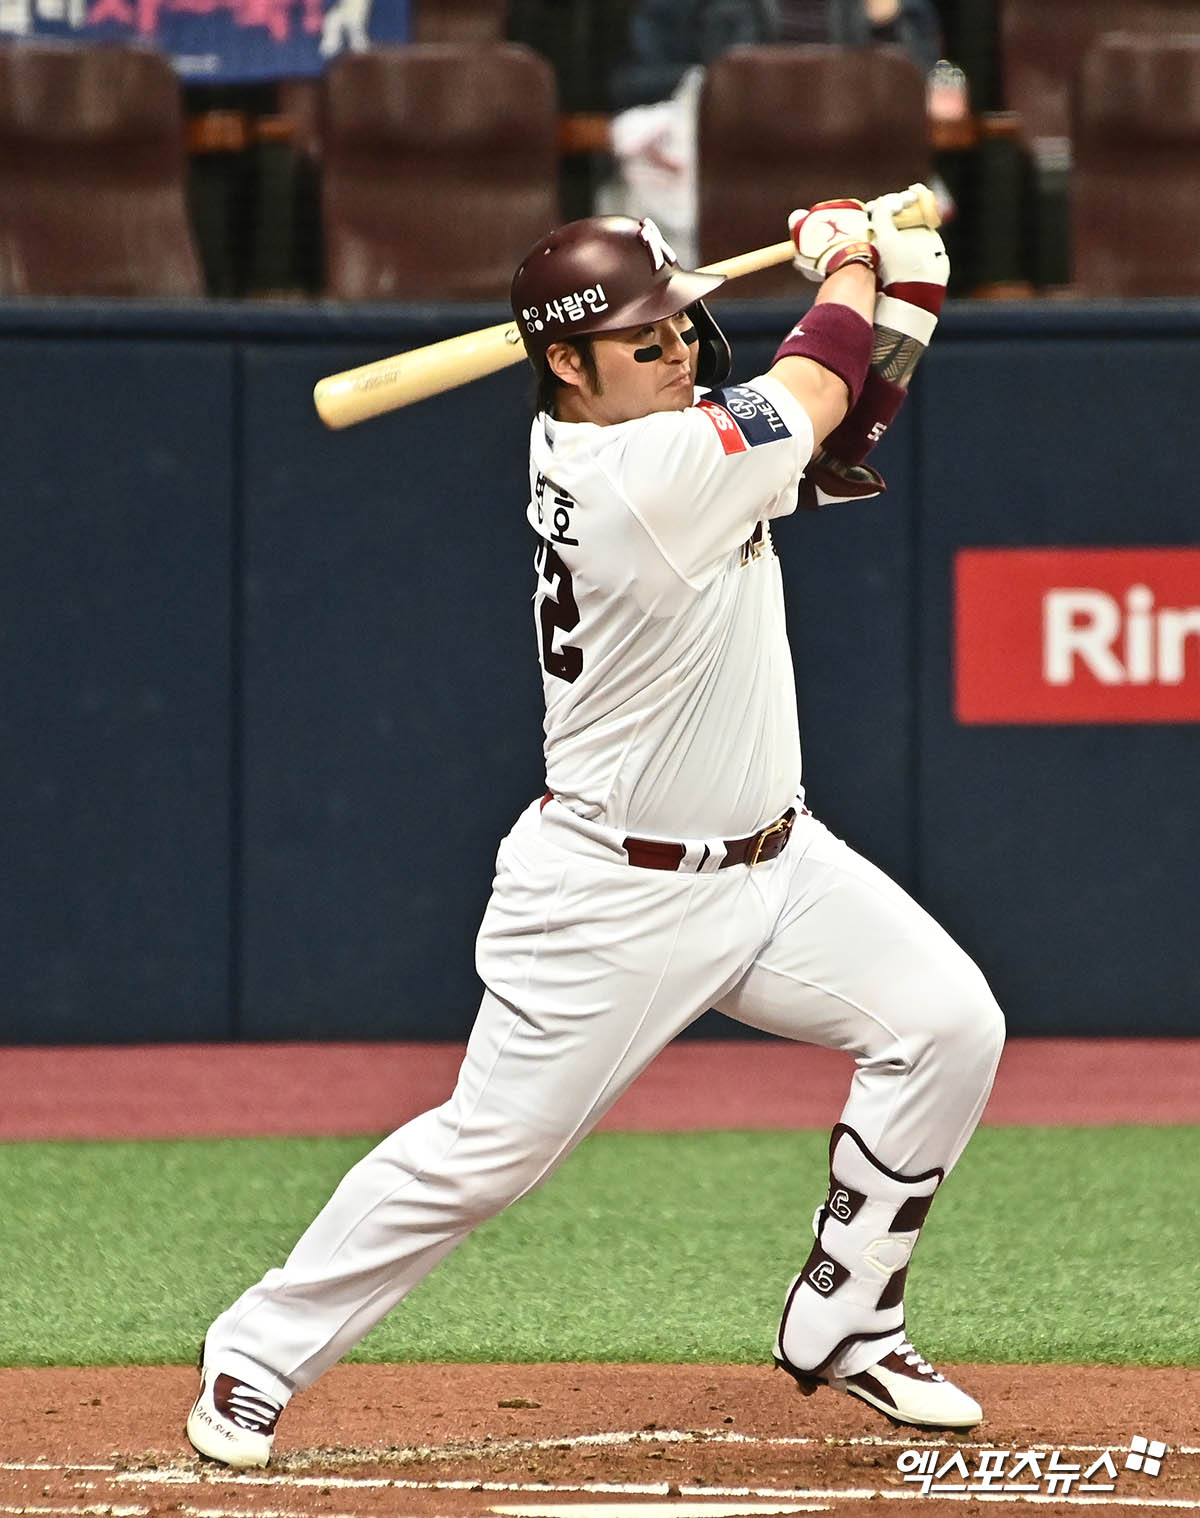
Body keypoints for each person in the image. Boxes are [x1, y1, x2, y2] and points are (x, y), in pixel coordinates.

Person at [186, 196, 1005, 1470]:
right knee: (484, 1157)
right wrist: (850, 259)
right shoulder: (642, 477)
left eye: (679, 327)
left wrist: (906, 300)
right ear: (566, 363)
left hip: (778, 864)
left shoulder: (660, 443)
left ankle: (849, 1316)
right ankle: (254, 1352)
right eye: (642, 339)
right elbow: (814, 385)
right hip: (613, 897)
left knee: (948, 1025)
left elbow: (836, 430)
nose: (677, 351)